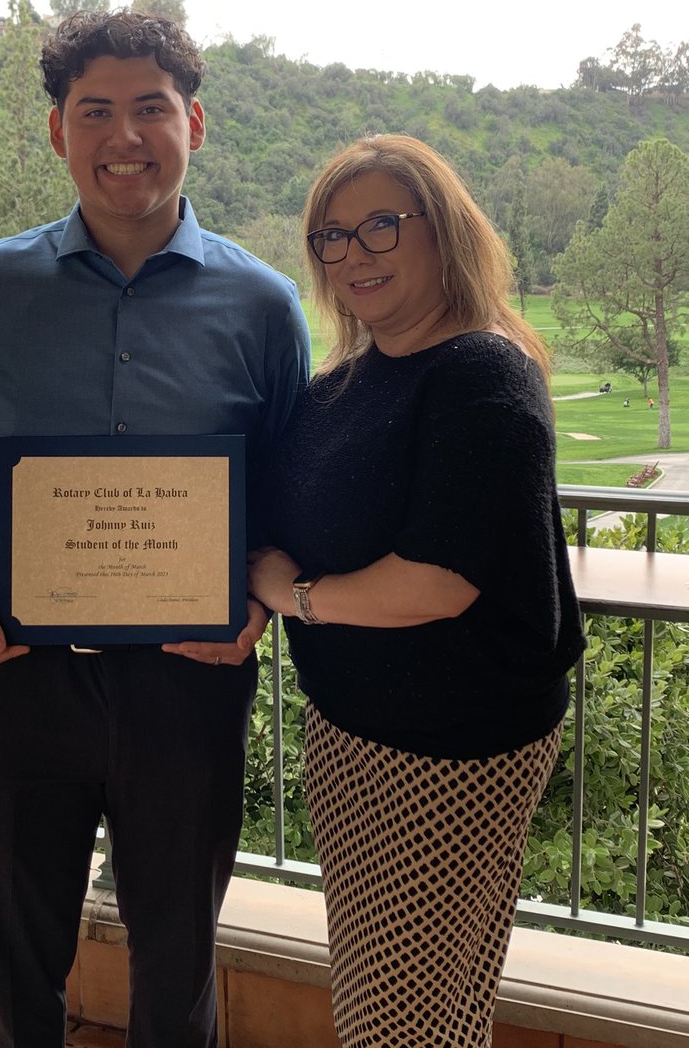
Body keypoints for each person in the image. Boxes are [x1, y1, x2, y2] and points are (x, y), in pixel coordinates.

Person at [0, 10, 310, 1048]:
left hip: (188, 683)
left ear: (195, 123)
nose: (127, 136)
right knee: (13, 979)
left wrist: (256, 597)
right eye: (97, 112)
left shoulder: (262, 304)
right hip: (18, 673)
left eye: (151, 108)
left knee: (178, 977)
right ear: (57, 132)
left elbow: (297, 486)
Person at [248, 134, 585, 1048]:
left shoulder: (482, 374)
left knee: (407, 1012)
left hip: (450, 754)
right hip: (354, 734)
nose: (355, 254)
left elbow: (436, 583)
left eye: (382, 227)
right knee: (395, 990)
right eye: (332, 237)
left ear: (445, 232)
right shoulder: (351, 378)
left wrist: (295, 595)